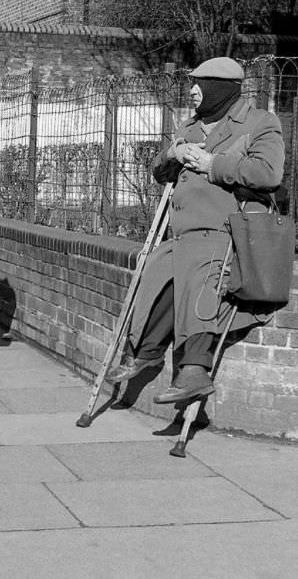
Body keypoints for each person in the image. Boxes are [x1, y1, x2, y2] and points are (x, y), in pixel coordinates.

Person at [107, 57, 285, 404]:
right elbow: (159, 173)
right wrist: (174, 152)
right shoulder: (190, 127)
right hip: (183, 234)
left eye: (199, 83)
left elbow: (268, 174)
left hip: (225, 232)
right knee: (156, 271)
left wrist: (212, 164)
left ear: (219, 87)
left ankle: (194, 369)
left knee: (200, 274)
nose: (191, 90)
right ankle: (146, 350)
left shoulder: (260, 122)